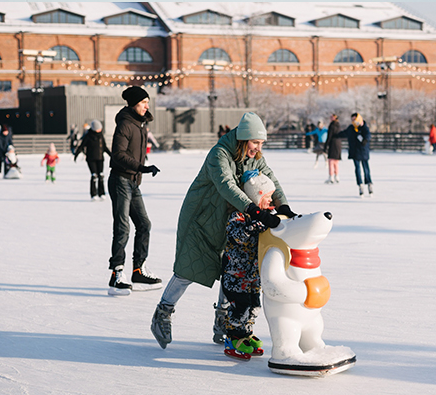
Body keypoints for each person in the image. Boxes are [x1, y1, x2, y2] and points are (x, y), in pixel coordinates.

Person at [150, 112, 296, 349]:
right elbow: (226, 185)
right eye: (255, 142)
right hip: (201, 218)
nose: (258, 148)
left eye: (261, 144)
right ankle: (163, 313)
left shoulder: (255, 156)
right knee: (189, 269)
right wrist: (254, 210)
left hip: (229, 219)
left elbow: (271, 179)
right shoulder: (219, 155)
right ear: (243, 139)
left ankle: (223, 320)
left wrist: (284, 206)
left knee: (231, 270)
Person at [107, 86, 162, 295]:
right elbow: (117, 155)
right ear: (132, 104)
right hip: (120, 180)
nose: (147, 106)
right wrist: (142, 167)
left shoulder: (141, 124)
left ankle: (138, 270)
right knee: (123, 227)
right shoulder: (125, 124)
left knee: (144, 224)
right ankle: (116, 273)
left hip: (133, 182)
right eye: (143, 102)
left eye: (147, 102)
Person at [221, 170, 276, 360]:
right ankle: (232, 338)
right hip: (235, 276)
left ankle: (246, 334)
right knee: (240, 308)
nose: (271, 201)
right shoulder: (239, 216)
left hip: (252, 276)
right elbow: (235, 237)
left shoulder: (263, 216)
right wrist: (252, 228)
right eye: (268, 197)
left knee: (254, 307)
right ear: (257, 196)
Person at [335, 113, 373, 197]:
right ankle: (360, 185)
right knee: (357, 169)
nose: (353, 121)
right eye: (352, 119)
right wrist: (335, 135)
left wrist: (365, 140)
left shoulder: (364, 127)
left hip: (363, 151)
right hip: (355, 152)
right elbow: (344, 133)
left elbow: (368, 135)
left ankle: (369, 183)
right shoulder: (351, 128)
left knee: (366, 168)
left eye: (354, 119)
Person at [75, 120, 111, 200]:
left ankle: (102, 193)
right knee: (94, 176)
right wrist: (76, 155)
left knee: (101, 175)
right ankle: (93, 194)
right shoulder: (88, 136)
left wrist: (111, 155)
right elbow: (82, 146)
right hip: (91, 159)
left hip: (100, 159)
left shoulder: (101, 136)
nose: (100, 129)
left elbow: (104, 147)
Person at [323, 114, 343, 184]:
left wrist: (326, 146)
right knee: (336, 162)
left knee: (331, 161)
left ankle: (331, 176)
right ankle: (336, 176)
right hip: (338, 144)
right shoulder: (338, 125)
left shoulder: (332, 125)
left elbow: (329, 136)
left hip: (333, 144)